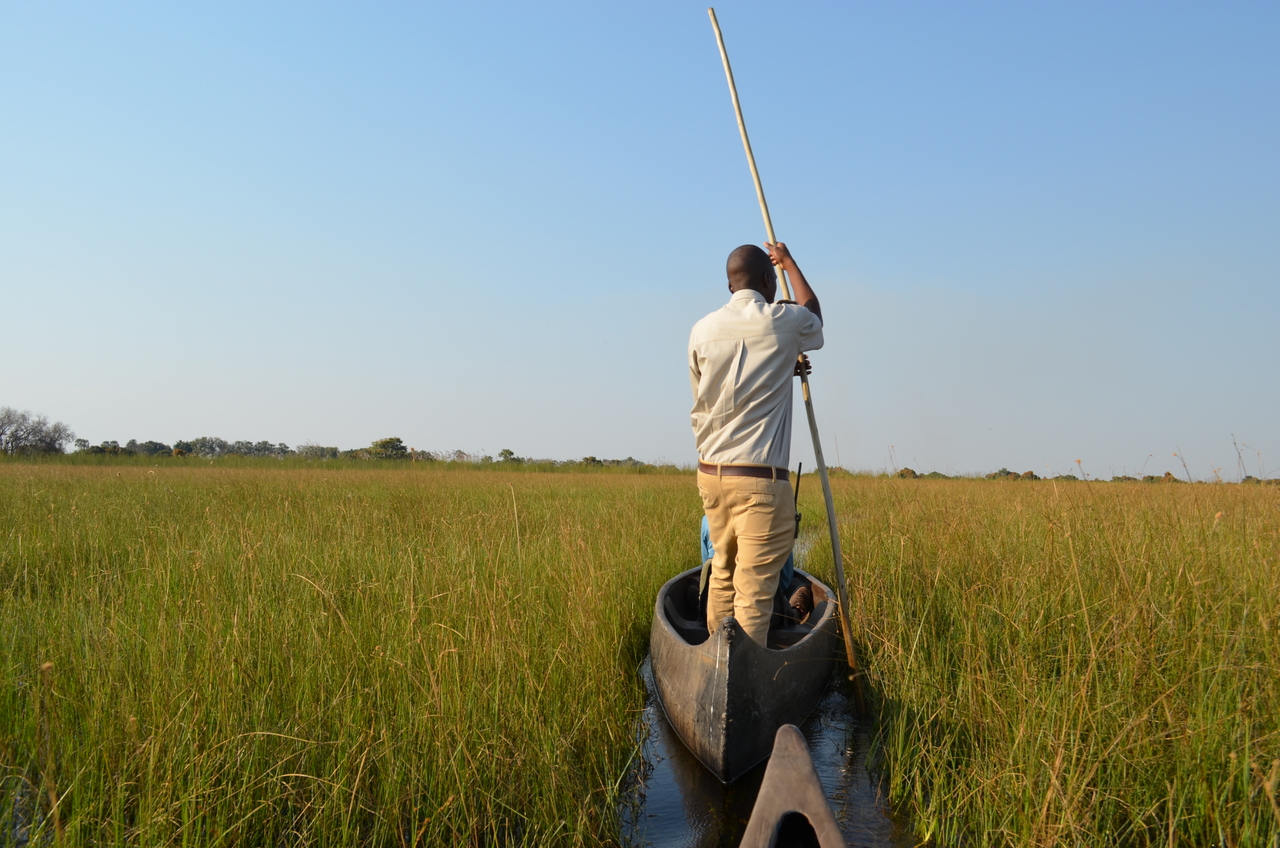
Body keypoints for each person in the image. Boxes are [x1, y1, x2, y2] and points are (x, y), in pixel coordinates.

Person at [688, 242, 823, 646]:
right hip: (759, 481)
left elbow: (704, 398)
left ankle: (716, 657)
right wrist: (790, 262)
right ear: (768, 280)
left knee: (723, 573)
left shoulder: (702, 329)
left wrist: (784, 363)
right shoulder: (782, 320)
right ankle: (745, 672)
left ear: (730, 286)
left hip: (711, 474)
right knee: (754, 590)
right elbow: (813, 314)